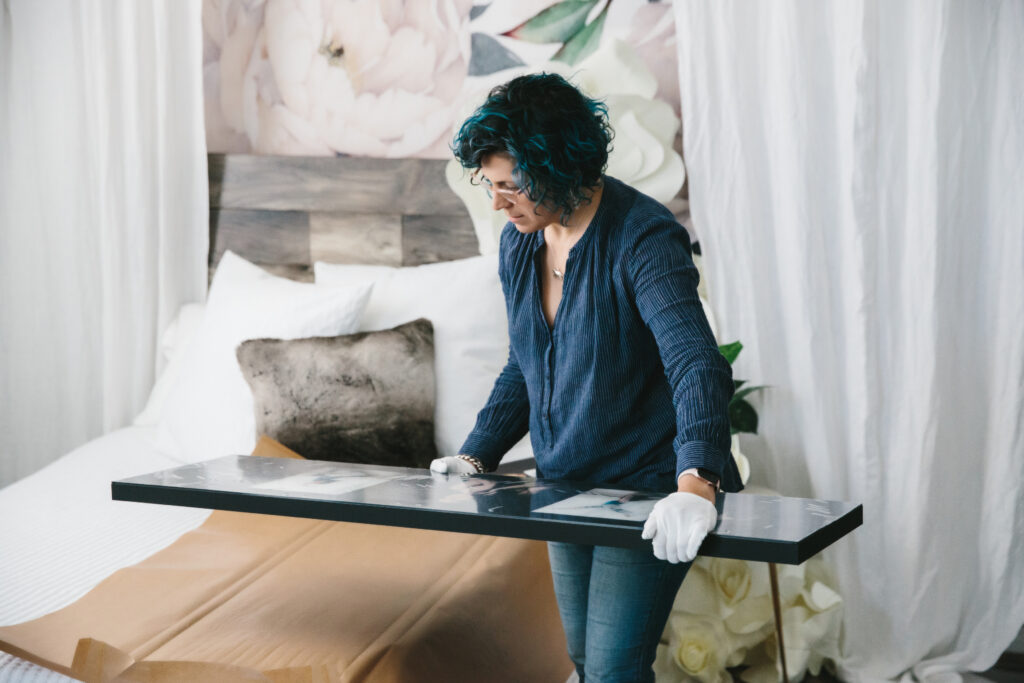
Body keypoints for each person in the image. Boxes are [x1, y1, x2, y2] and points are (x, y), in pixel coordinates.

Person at [429, 73, 744, 683]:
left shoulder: (643, 238)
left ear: (560, 169)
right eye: (489, 185)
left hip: (645, 487)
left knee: (613, 671)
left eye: (512, 186)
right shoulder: (519, 244)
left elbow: (695, 361)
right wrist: (476, 455)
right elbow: (527, 360)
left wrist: (697, 482)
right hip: (564, 481)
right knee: (582, 661)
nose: (497, 202)